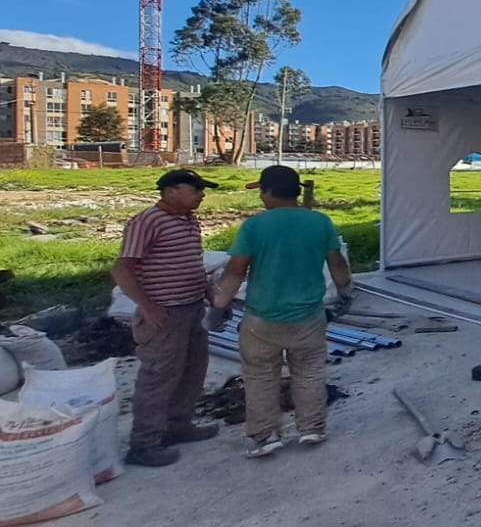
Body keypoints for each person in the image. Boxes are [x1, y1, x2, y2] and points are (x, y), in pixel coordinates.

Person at [212, 165, 352, 458]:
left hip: (262, 318)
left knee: (260, 376)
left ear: (270, 191)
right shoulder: (320, 222)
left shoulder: (254, 226)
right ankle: (312, 428)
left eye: (261, 191)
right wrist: (344, 291)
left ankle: (266, 436)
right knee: (310, 372)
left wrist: (219, 305)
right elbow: (337, 262)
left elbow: (236, 270)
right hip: (309, 316)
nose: (260, 197)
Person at [113, 169, 223, 467]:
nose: (202, 195)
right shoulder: (146, 221)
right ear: (171, 191)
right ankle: (144, 443)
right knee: (158, 376)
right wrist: (146, 305)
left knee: (192, 369)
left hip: (192, 307)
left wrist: (207, 290)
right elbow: (123, 268)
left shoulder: (189, 221)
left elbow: (192, 262)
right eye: (195, 189)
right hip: (164, 312)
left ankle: (178, 426)